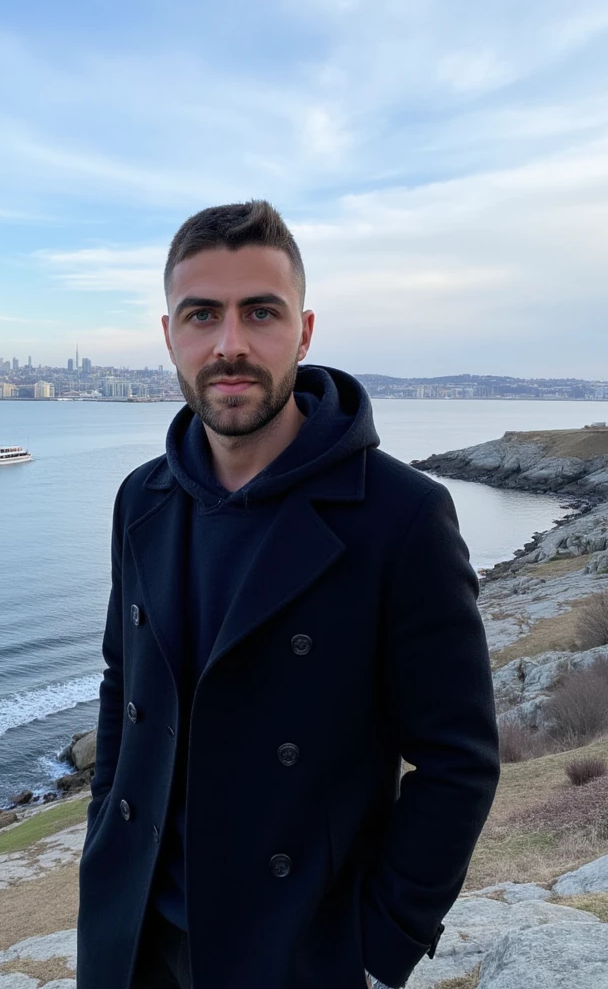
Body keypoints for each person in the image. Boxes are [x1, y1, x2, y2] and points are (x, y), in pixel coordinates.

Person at [75, 200, 500, 989]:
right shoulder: (141, 500)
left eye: (259, 313)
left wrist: (381, 947)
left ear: (302, 333)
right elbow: (121, 685)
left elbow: (458, 762)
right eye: (202, 315)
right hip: (131, 938)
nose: (229, 345)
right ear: (169, 335)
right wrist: (105, 836)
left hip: (298, 951)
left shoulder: (400, 515)